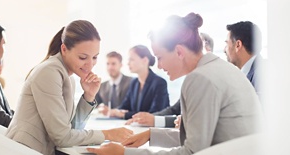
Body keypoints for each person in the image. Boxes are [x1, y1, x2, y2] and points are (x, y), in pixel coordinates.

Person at [88, 12, 262, 155]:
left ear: (179, 51)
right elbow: (199, 138)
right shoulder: (218, 68)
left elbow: (191, 151)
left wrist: (125, 153)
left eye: (160, 57)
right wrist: (151, 134)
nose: (159, 65)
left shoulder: (200, 79)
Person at [5, 20, 133, 155]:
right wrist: (108, 134)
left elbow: (72, 130)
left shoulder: (68, 77)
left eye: (94, 57)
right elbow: (62, 137)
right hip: (24, 150)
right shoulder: (49, 72)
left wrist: (88, 96)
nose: (90, 65)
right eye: (83, 57)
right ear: (64, 49)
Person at [124, 33, 213, 128]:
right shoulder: (191, 80)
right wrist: (150, 119)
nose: (158, 66)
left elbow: (197, 126)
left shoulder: (205, 80)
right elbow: (175, 110)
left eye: (160, 57)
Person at [108, 45, 170, 120]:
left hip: (153, 129)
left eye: (131, 59)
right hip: (136, 126)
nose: (128, 63)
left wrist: (125, 114)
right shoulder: (134, 82)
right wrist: (115, 111)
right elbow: (124, 106)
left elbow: (154, 113)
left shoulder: (159, 83)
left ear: (145, 60)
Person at [224, 21, 263, 97]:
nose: (224, 50)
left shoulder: (262, 73)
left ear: (238, 45)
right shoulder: (246, 74)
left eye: (227, 43)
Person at [95, 51, 132, 115]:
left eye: (113, 64)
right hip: (108, 122)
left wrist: (113, 111)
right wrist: (100, 108)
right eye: (108, 64)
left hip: (126, 120)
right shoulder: (102, 86)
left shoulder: (131, 82)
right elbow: (93, 104)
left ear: (121, 65)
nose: (110, 67)